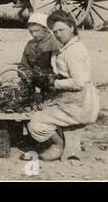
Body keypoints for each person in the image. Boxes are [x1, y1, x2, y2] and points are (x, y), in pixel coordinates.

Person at [25, 10, 100, 161]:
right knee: (40, 108)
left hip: (79, 102)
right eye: (55, 31)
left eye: (62, 30)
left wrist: (54, 82)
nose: (58, 34)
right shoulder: (69, 46)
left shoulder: (74, 51)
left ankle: (58, 145)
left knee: (34, 121)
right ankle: (62, 140)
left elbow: (77, 83)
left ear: (72, 27)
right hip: (73, 98)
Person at [18, 12, 62, 77]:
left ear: (46, 28)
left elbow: (60, 69)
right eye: (30, 31)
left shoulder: (55, 43)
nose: (33, 34)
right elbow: (23, 64)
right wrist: (23, 72)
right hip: (32, 80)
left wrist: (41, 74)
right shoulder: (30, 44)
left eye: (37, 31)